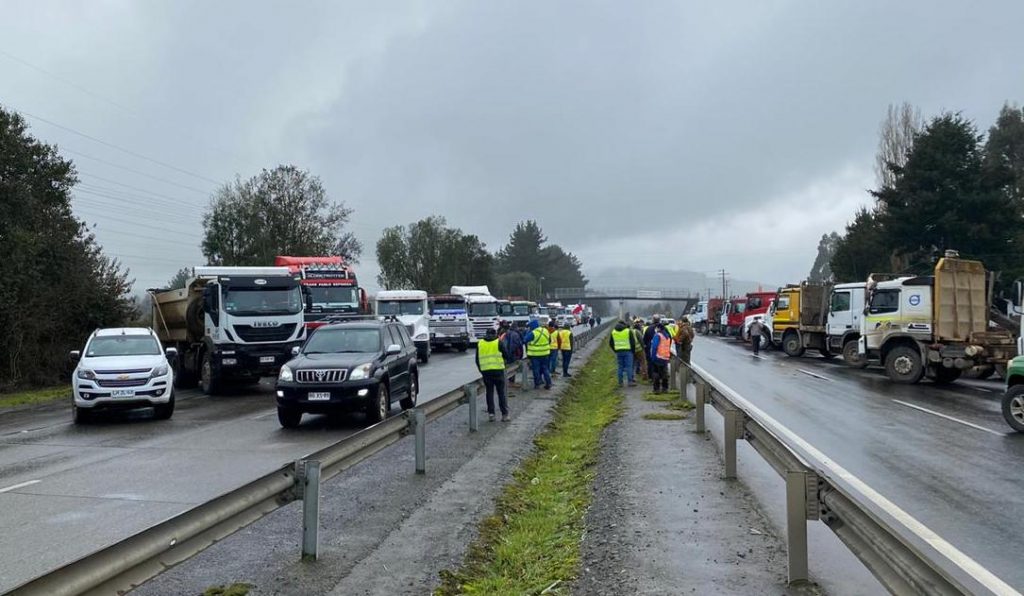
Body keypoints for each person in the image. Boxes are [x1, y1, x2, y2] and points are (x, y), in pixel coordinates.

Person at [476, 328, 510, 421]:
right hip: (498, 371)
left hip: (486, 372)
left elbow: (477, 360)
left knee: (489, 393)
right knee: (501, 393)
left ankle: (491, 414)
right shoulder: (498, 342)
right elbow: (507, 355)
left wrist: (482, 370)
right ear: (495, 334)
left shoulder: (480, 343)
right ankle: (504, 414)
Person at [524, 320, 552, 390]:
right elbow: (549, 340)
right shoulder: (545, 330)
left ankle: (537, 384)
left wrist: (527, 333)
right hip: (545, 353)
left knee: (536, 369)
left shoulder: (533, 333)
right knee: (545, 368)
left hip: (535, 355)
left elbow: (525, 340)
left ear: (532, 326)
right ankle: (548, 383)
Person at [608, 320, 637, 387]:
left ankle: (620, 382)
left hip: (619, 352)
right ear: (624, 325)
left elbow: (611, 343)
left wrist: (615, 350)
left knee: (620, 367)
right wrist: (633, 351)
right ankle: (630, 381)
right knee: (628, 367)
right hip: (628, 351)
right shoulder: (628, 331)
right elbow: (633, 342)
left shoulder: (613, 332)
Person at [500, 321, 525, 387]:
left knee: (508, 367)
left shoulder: (505, 333)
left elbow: (502, 343)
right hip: (514, 354)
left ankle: (508, 381)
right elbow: (518, 344)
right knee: (513, 368)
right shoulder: (516, 334)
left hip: (507, 353)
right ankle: (511, 381)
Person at [649, 323, 672, 393]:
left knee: (656, 373)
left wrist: (652, 357)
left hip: (657, 357)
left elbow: (654, 347)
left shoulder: (657, 335)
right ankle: (665, 388)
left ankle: (656, 389)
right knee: (664, 373)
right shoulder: (667, 336)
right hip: (665, 357)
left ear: (659, 328)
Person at [642, 314, 661, 379]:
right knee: (660, 363)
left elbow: (644, 339)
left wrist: (646, 347)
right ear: (659, 320)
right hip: (661, 348)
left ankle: (651, 377)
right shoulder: (663, 328)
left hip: (650, 348)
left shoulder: (649, 328)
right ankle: (659, 376)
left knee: (650, 363)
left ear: (653, 320)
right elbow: (668, 338)